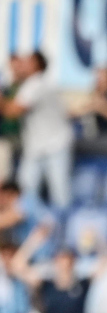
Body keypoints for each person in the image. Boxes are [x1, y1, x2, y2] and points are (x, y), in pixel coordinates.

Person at [1, 52, 73, 210]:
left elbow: (11, 111)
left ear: (37, 66)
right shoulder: (32, 84)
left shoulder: (36, 83)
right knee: (26, 192)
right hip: (36, 146)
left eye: (28, 62)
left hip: (55, 145)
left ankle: (62, 231)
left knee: (59, 193)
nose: (23, 65)